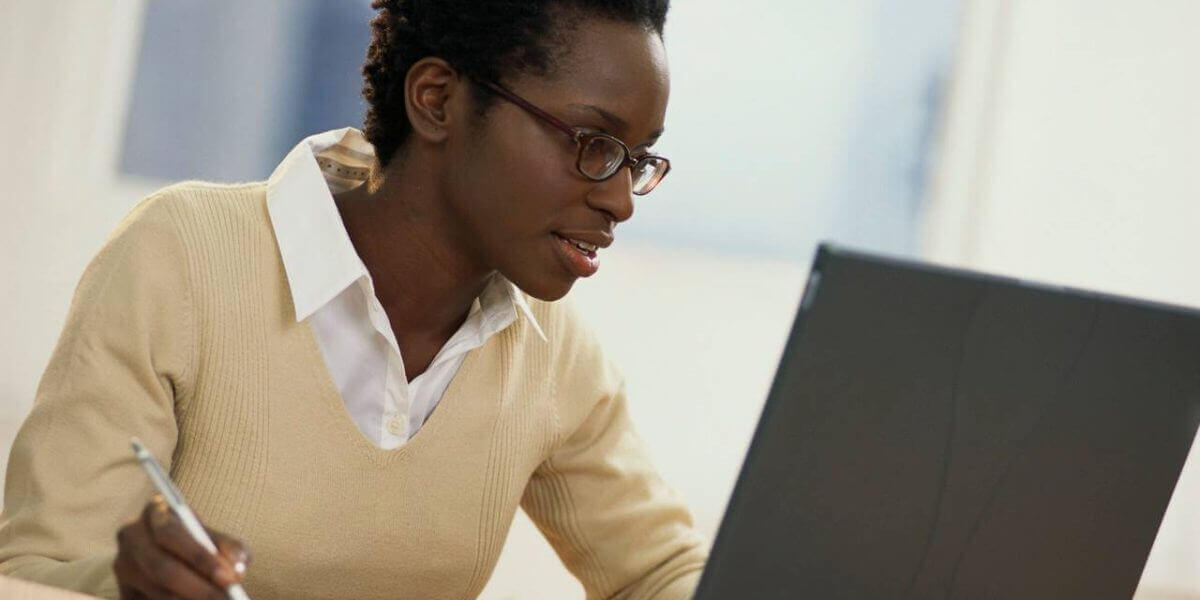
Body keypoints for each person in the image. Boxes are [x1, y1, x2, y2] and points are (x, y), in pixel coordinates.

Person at [0, 0, 707, 598]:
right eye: (592, 143)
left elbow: (662, 572)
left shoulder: (551, 350)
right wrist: (123, 584)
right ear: (438, 100)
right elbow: (34, 575)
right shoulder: (182, 257)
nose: (619, 199)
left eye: (638, 159)